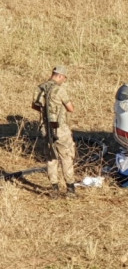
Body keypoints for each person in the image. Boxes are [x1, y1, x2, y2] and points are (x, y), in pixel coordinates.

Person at [32, 65, 77, 197]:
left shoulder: (40, 88)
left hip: (45, 129)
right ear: (60, 76)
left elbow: (34, 105)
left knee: (51, 158)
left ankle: (54, 188)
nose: (64, 81)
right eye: (64, 78)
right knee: (66, 156)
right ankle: (70, 189)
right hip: (59, 129)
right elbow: (71, 108)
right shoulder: (59, 90)